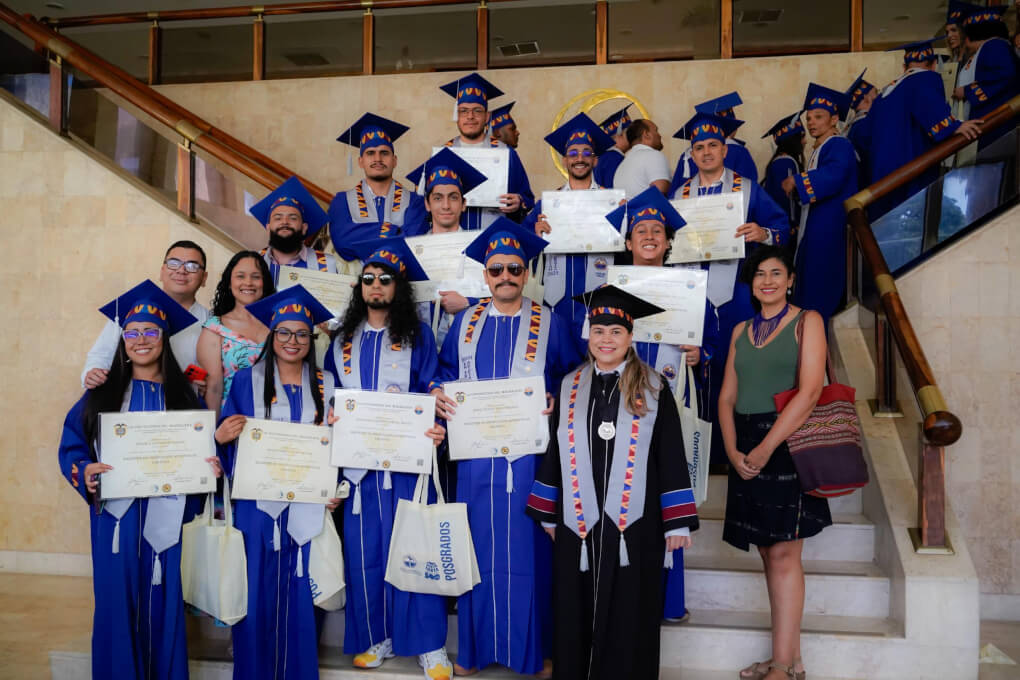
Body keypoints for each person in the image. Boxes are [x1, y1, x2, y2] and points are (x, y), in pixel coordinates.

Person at [526, 284, 699, 680]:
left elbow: (671, 454)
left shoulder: (653, 387)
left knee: (629, 612)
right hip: (578, 524)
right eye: (599, 330)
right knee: (574, 608)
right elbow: (555, 450)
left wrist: (676, 522)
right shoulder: (570, 385)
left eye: (616, 331)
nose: (606, 340)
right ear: (588, 334)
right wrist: (549, 512)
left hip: (634, 526)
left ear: (630, 336)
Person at [436, 219, 583, 677]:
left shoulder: (551, 322)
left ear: (526, 273)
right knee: (477, 550)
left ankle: (533, 653)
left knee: (530, 553)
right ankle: (473, 651)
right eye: (496, 269)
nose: (505, 277)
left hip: (529, 461)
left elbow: (574, 374)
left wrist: (557, 396)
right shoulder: (464, 323)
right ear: (485, 275)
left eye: (514, 269)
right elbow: (442, 373)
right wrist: (437, 393)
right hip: (474, 460)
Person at [59, 280, 223, 680]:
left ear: (164, 338)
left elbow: (199, 459)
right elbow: (73, 447)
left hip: (166, 519)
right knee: (116, 604)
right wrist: (85, 472)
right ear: (123, 340)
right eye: (132, 333)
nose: (141, 340)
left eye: (151, 331)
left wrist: (208, 472)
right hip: (116, 521)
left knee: (163, 603)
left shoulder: (185, 398)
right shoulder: (102, 393)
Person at [321, 237, 453, 679]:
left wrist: (436, 420)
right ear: (360, 287)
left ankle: (429, 644)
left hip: (406, 464)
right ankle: (376, 636)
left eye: (385, 279)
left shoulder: (418, 335)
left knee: (415, 549)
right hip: (359, 469)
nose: (376, 285)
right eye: (369, 279)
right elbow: (329, 393)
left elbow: (432, 385)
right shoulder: (341, 339)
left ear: (399, 287)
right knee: (366, 555)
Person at [214, 285, 342, 680]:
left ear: (312, 339)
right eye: (284, 332)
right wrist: (220, 438)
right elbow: (227, 445)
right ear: (271, 335)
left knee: (302, 594)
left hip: (307, 506)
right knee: (256, 592)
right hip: (256, 508)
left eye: (302, 333)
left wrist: (334, 488)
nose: (293, 340)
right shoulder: (245, 381)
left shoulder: (328, 384)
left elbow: (340, 445)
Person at [718, 246, 829, 680]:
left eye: (776, 273)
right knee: (767, 551)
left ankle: (781, 666)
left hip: (787, 439)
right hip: (745, 440)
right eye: (760, 274)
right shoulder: (741, 330)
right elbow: (727, 397)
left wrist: (766, 448)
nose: (767, 280)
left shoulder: (808, 321)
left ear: (790, 280)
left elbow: (811, 392)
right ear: (752, 283)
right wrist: (732, 451)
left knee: (784, 552)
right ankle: (790, 659)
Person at [606, 189, 717, 623]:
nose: (650, 236)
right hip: (619, 406)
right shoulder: (611, 290)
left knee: (669, 495)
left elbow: (711, 345)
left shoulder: (690, 290)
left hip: (671, 405)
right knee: (620, 496)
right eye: (641, 231)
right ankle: (624, 594)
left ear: (669, 242)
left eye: (657, 230)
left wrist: (700, 355)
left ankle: (669, 600)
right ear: (628, 242)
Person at [675, 111, 790, 469]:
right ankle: (697, 456)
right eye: (699, 148)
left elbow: (781, 226)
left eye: (713, 145)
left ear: (725, 150)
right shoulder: (680, 194)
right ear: (692, 154)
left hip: (736, 293)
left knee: (736, 367)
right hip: (693, 295)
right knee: (693, 370)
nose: (706, 152)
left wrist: (762, 233)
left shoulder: (748, 188)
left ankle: (737, 451)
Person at [524, 112, 618, 349]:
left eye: (587, 153)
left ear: (595, 161)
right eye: (573, 154)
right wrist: (535, 235)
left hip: (600, 301)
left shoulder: (612, 202)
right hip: (557, 304)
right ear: (565, 161)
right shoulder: (548, 204)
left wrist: (623, 223)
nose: (580, 159)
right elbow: (521, 246)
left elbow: (628, 250)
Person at [866, 40, 983, 219]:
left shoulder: (884, 92)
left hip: (881, 173)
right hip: (909, 168)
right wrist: (955, 126)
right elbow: (932, 109)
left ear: (904, 66)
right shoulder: (925, 78)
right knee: (914, 222)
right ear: (934, 64)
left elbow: (866, 134)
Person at [775, 84, 860, 327]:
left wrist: (797, 180)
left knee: (820, 279)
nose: (811, 122)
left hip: (829, 224)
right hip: (816, 223)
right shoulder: (821, 147)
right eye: (809, 118)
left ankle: (814, 332)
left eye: (819, 117)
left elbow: (835, 175)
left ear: (834, 119)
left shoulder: (838, 144)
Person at [82, 241, 210, 390]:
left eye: (192, 266)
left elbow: (213, 372)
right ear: (162, 271)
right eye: (173, 263)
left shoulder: (211, 322)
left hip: (183, 399)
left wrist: (204, 386)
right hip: (129, 397)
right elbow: (101, 356)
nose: (181, 270)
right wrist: (93, 373)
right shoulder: (132, 310)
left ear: (204, 278)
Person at [404, 147, 488, 345]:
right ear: (427, 204)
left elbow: (503, 298)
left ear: (464, 204)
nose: (446, 206)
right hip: (419, 346)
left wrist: (468, 302)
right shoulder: (411, 251)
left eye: (453, 197)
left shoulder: (480, 248)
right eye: (438, 198)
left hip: (468, 343)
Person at [437, 72, 535, 229]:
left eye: (477, 110)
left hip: (494, 237)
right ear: (457, 116)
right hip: (453, 237)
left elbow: (527, 198)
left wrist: (519, 202)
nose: (470, 116)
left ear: (487, 117)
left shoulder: (506, 153)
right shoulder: (444, 154)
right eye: (464, 111)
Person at [329, 113, 427, 261]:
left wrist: (361, 237)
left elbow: (413, 246)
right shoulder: (342, 201)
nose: (378, 159)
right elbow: (342, 243)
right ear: (361, 161)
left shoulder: (415, 202)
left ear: (394, 161)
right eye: (370, 153)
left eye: (384, 153)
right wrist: (395, 231)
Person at [196, 251, 275, 413]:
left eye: (256, 277)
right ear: (229, 282)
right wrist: (215, 427)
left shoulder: (279, 325)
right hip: (232, 417)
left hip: (274, 416)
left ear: (264, 282)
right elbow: (214, 388)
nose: (248, 282)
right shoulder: (215, 328)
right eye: (240, 276)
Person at [250, 175, 338, 286]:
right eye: (278, 218)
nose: (285, 222)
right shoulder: (252, 263)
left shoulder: (328, 265)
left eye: (293, 218)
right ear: (268, 228)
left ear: (304, 228)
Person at [669, 92, 759, 197]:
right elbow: (749, 191)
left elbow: (674, 194)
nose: (706, 152)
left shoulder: (686, 156)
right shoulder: (739, 152)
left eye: (713, 145)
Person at [953, 6, 1019, 148]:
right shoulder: (990, 47)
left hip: (996, 127)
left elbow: (1004, 75)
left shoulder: (995, 46)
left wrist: (967, 91)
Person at [760, 113, 806, 234]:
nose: (805, 141)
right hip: (786, 228)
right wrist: (792, 224)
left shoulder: (783, 160)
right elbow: (785, 199)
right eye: (802, 137)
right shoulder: (784, 162)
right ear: (793, 140)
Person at [613, 118, 671, 197]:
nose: (659, 135)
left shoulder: (622, 165)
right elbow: (659, 192)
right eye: (656, 131)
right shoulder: (653, 155)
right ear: (646, 134)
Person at [844, 70, 877, 187]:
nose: (879, 97)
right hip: (871, 186)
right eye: (876, 93)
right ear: (866, 98)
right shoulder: (866, 125)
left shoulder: (854, 126)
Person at [593, 103, 633, 189]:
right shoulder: (615, 158)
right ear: (618, 135)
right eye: (629, 134)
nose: (633, 137)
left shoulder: (603, 157)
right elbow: (613, 190)